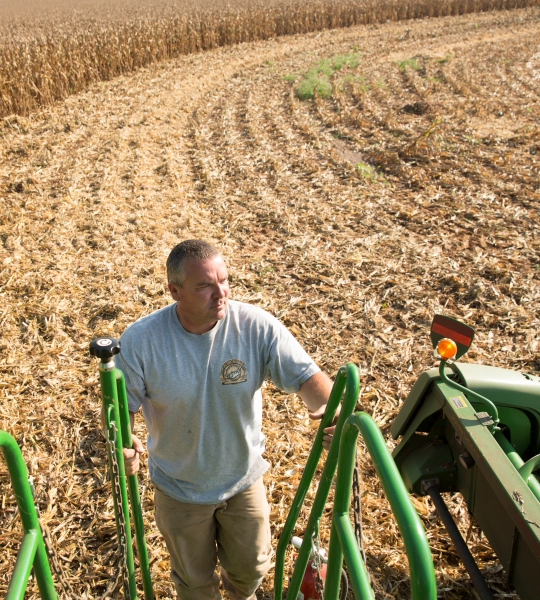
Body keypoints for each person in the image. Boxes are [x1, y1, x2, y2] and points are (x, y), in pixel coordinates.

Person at [116, 239, 335, 600]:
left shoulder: (255, 326)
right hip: (180, 486)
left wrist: (333, 410)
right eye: (204, 286)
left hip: (241, 479)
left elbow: (307, 377)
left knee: (250, 569)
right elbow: (120, 409)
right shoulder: (142, 340)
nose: (221, 293)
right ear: (175, 291)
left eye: (224, 280)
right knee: (194, 582)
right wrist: (124, 444)